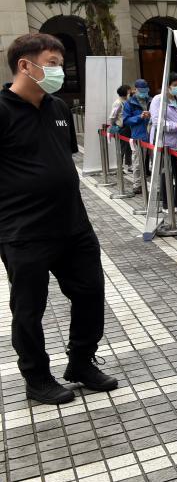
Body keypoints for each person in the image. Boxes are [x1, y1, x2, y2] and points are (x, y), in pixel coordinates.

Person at [0, 33, 118, 404]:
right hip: (24, 231)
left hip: (73, 225)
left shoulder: (59, 109)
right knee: (28, 308)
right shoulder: (2, 111)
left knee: (90, 292)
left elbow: (62, 159)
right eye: (52, 63)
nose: (60, 71)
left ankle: (81, 362)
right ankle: (36, 377)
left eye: (60, 64)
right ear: (25, 65)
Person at [149, 72, 177, 214]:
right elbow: (157, 122)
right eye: (174, 85)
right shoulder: (158, 100)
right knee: (166, 173)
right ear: (167, 86)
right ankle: (167, 204)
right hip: (165, 143)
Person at [122, 78, 152, 193]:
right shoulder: (130, 103)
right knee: (138, 162)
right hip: (138, 136)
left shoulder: (151, 100)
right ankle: (137, 185)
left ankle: (159, 185)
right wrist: (139, 117)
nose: (144, 93)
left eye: (145, 90)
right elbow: (126, 120)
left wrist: (151, 115)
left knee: (156, 162)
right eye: (141, 90)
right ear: (136, 90)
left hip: (152, 135)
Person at [107, 84, 133, 170]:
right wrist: (114, 125)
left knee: (129, 147)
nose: (130, 92)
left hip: (128, 127)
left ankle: (129, 165)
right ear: (125, 92)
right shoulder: (118, 103)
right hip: (122, 128)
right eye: (129, 91)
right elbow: (112, 116)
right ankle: (119, 166)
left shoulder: (128, 101)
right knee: (121, 148)